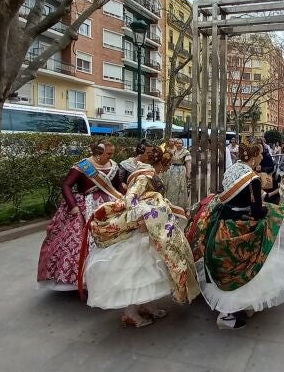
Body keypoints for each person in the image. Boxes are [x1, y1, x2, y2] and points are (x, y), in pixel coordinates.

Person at [185, 142, 284, 329]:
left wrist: (266, 196)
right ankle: (228, 315)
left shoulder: (233, 170)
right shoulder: (253, 179)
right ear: (255, 155)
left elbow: (233, 197)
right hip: (241, 228)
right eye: (261, 153)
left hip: (223, 226)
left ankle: (232, 309)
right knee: (249, 268)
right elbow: (256, 212)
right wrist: (269, 210)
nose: (263, 157)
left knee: (228, 268)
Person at [84, 147, 199, 327]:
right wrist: (145, 217)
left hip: (149, 229)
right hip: (141, 230)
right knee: (136, 272)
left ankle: (146, 305)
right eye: (165, 166)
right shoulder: (146, 175)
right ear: (161, 163)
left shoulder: (147, 172)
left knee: (147, 272)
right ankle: (130, 313)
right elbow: (131, 199)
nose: (166, 170)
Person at [37, 140, 123, 291]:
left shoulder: (113, 165)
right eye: (108, 153)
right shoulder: (82, 166)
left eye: (112, 153)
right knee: (80, 242)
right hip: (85, 208)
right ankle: (82, 280)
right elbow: (66, 185)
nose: (111, 156)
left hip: (111, 207)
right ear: (98, 153)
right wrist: (73, 206)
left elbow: (117, 187)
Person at [163, 138, 191, 211]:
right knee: (171, 188)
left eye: (180, 143)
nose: (178, 144)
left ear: (182, 144)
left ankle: (180, 207)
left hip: (181, 171)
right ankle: (171, 205)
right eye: (177, 143)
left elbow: (188, 163)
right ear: (175, 144)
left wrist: (188, 173)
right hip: (172, 171)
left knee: (180, 188)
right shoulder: (172, 152)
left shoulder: (186, 152)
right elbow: (168, 161)